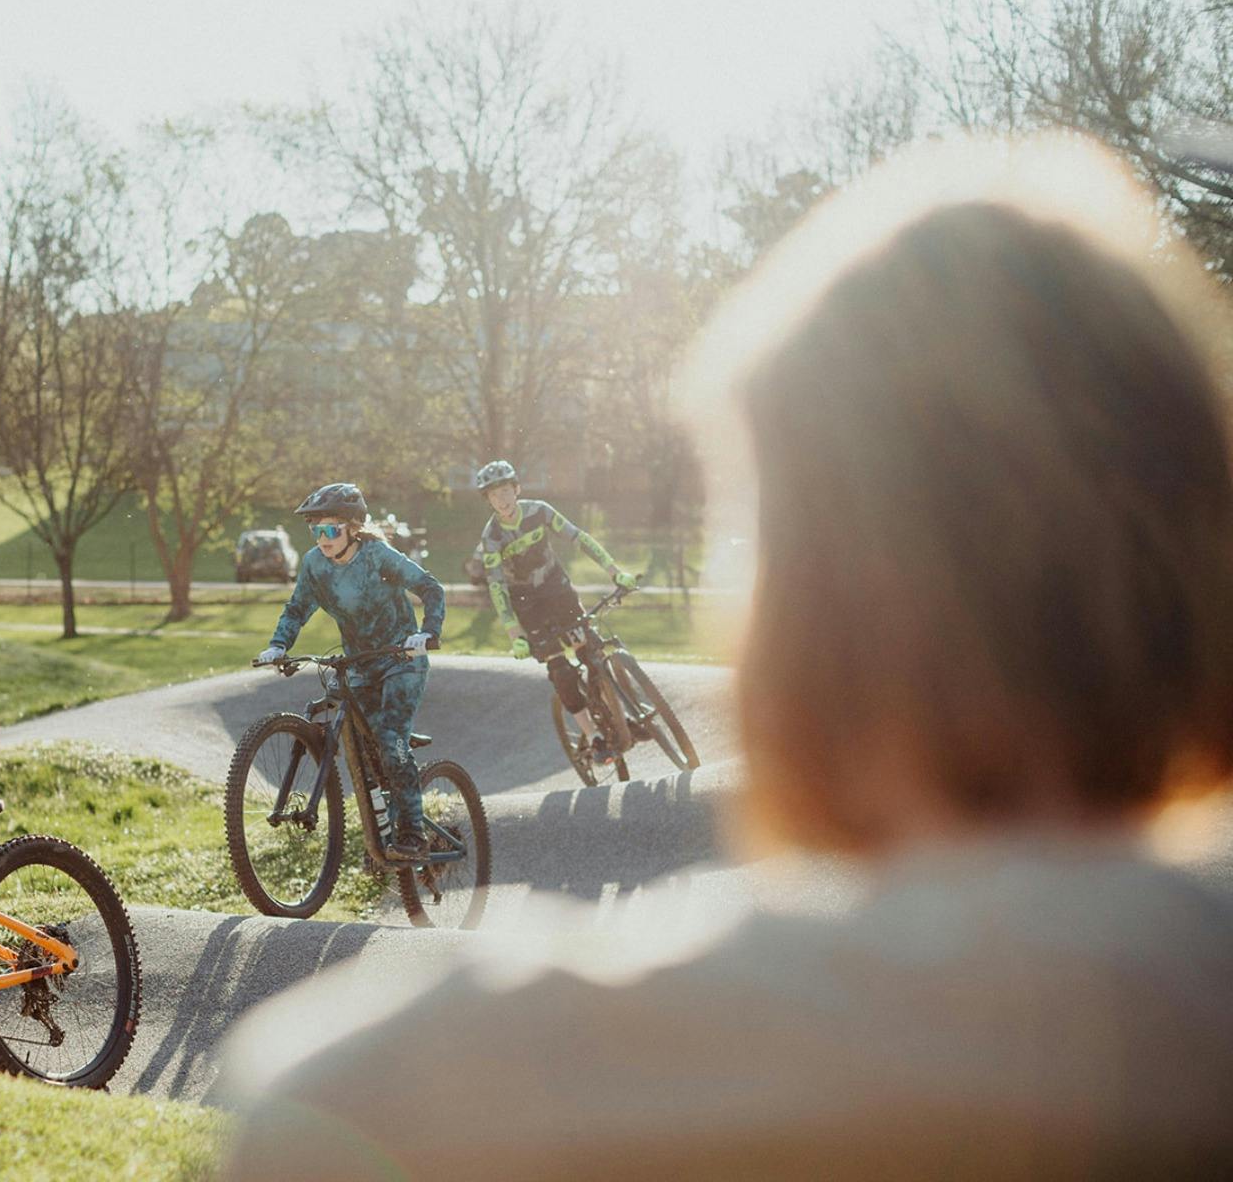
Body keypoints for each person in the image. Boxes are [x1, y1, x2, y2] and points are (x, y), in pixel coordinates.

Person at [220, 135, 1233, 1177]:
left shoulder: (408, 1089)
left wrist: (460, 619)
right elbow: (367, 590)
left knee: (407, 728)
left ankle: (419, 812)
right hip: (532, 626)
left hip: (493, 640)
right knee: (561, 676)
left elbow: (295, 1106)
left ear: (797, 604)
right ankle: (577, 732)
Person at [257, 483, 446, 861]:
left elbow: (430, 587)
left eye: (331, 530)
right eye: (317, 530)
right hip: (359, 666)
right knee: (365, 756)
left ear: (353, 528)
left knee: (391, 741)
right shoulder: (313, 564)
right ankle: (381, 840)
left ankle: (411, 834)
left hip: (400, 660)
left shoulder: (377, 556)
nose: (323, 539)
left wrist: (428, 632)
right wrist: (279, 645)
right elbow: (297, 608)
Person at [474, 459, 637, 764]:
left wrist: (614, 571)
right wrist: (515, 635)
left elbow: (580, 538)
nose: (503, 500)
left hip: (556, 588)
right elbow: (497, 589)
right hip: (526, 603)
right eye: (495, 495)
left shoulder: (540, 510)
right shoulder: (491, 538)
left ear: (517, 489)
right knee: (560, 669)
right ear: (488, 501)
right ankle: (593, 736)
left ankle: (624, 716)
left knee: (591, 650)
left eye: (507, 491)